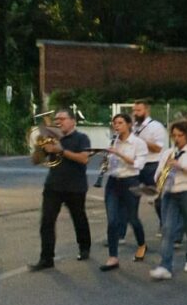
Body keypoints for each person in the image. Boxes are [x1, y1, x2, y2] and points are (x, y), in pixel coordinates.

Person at [30, 108, 93, 271]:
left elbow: (84, 159)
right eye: (56, 119)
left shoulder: (81, 138)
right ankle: (46, 258)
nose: (58, 122)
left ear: (73, 121)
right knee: (47, 222)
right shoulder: (50, 138)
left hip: (75, 187)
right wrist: (39, 146)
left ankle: (84, 247)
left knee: (79, 218)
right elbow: (35, 161)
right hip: (53, 186)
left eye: (62, 119)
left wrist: (61, 151)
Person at [149, 120, 187, 280]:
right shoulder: (168, 152)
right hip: (170, 193)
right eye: (174, 135)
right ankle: (165, 266)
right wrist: (161, 176)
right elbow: (157, 174)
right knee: (167, 229)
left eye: (180, 135)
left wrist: (181, 167)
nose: (177, 138)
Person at [100, 113, 149, 271]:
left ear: (129, 124)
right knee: (112, 220)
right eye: (115, 123)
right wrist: (105, 164)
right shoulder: (114, 141)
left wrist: (118, 153)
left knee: (132, 218)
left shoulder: (138, 143)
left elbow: (138, 165)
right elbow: (111, 163)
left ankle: (142, 244)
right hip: (114, 183)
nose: (117, 126)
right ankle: (113, 257)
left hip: (131, 182)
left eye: (120, 123)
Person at [132, 100, 167, 227]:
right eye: (134, 110)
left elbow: (158, 148)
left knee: (157, 199)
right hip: (136, 165)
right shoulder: (134, 126)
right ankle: (121, 233)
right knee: (130, 198)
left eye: (138, 110)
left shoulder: (156, 126)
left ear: (147, 111)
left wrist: (139, 141)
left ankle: (165, 224)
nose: (135, 113)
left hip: (151, 165)